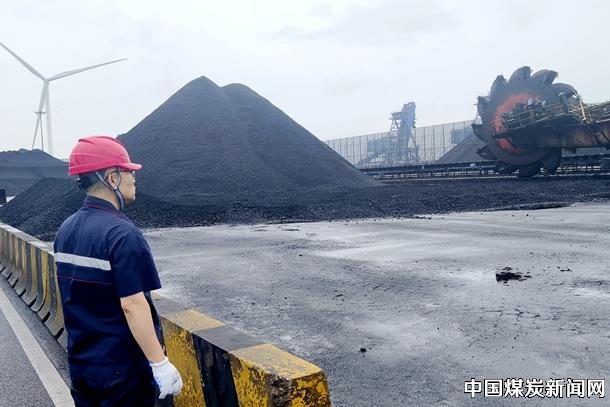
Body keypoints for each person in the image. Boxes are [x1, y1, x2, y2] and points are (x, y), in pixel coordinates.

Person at [53, 135, 183, 406]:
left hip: (82, 366)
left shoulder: (66, 229)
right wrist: (159, 363)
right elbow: (133, 305)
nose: (134, 178)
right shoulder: (123, 235)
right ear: (112, 178)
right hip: (121, 373)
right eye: (129, 172)